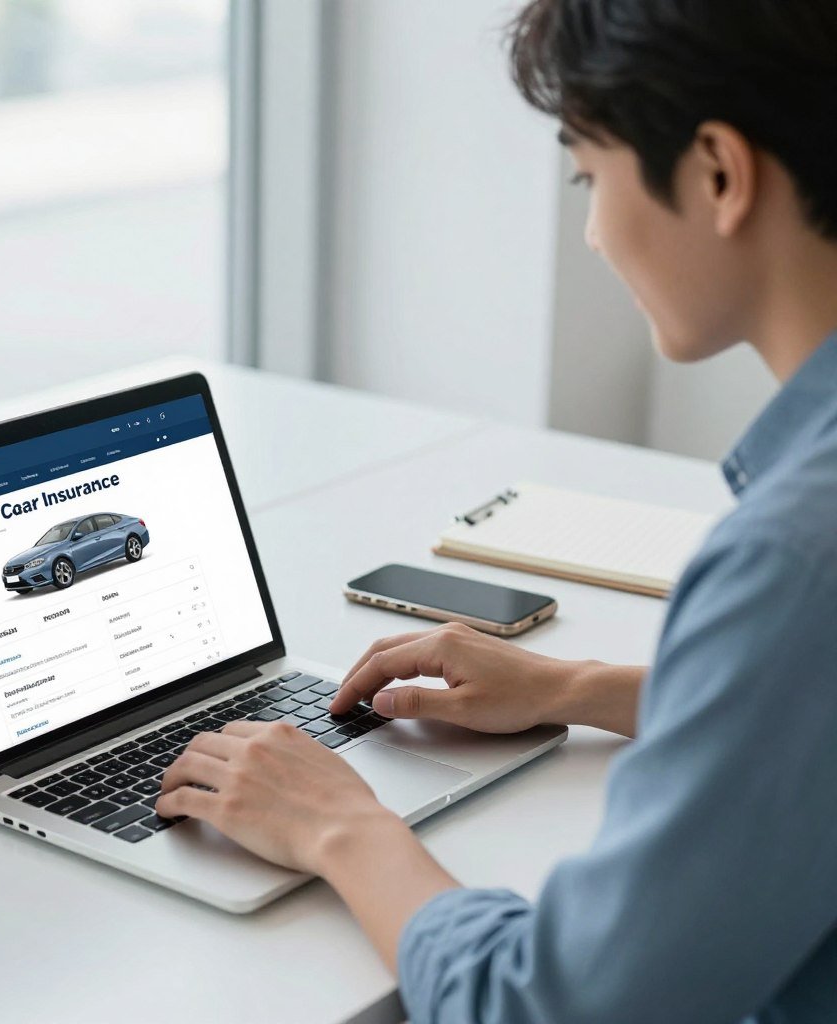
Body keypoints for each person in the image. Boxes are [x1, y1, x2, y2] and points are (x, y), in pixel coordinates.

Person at [154, 1, 837, 1019]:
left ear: (717, 173)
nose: (597, 234)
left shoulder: (793, 556)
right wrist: (575, 684)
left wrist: (342, 825)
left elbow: (555, 1005)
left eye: (586, 177)